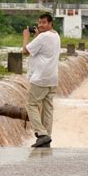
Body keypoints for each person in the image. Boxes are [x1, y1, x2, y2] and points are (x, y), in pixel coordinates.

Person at [22, 13, 61, 148]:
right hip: (52, 78)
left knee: (31, 105)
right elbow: (38, 49)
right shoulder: (55, 35)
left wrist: (26, 37)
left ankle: (42, 134)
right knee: (48, 108)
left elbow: (25, 51)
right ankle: (47, 137)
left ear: (51, 24)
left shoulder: (44, 36)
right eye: (39, 22)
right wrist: (36, 36)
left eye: (44, 23)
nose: (40, 25)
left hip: (41, 78)